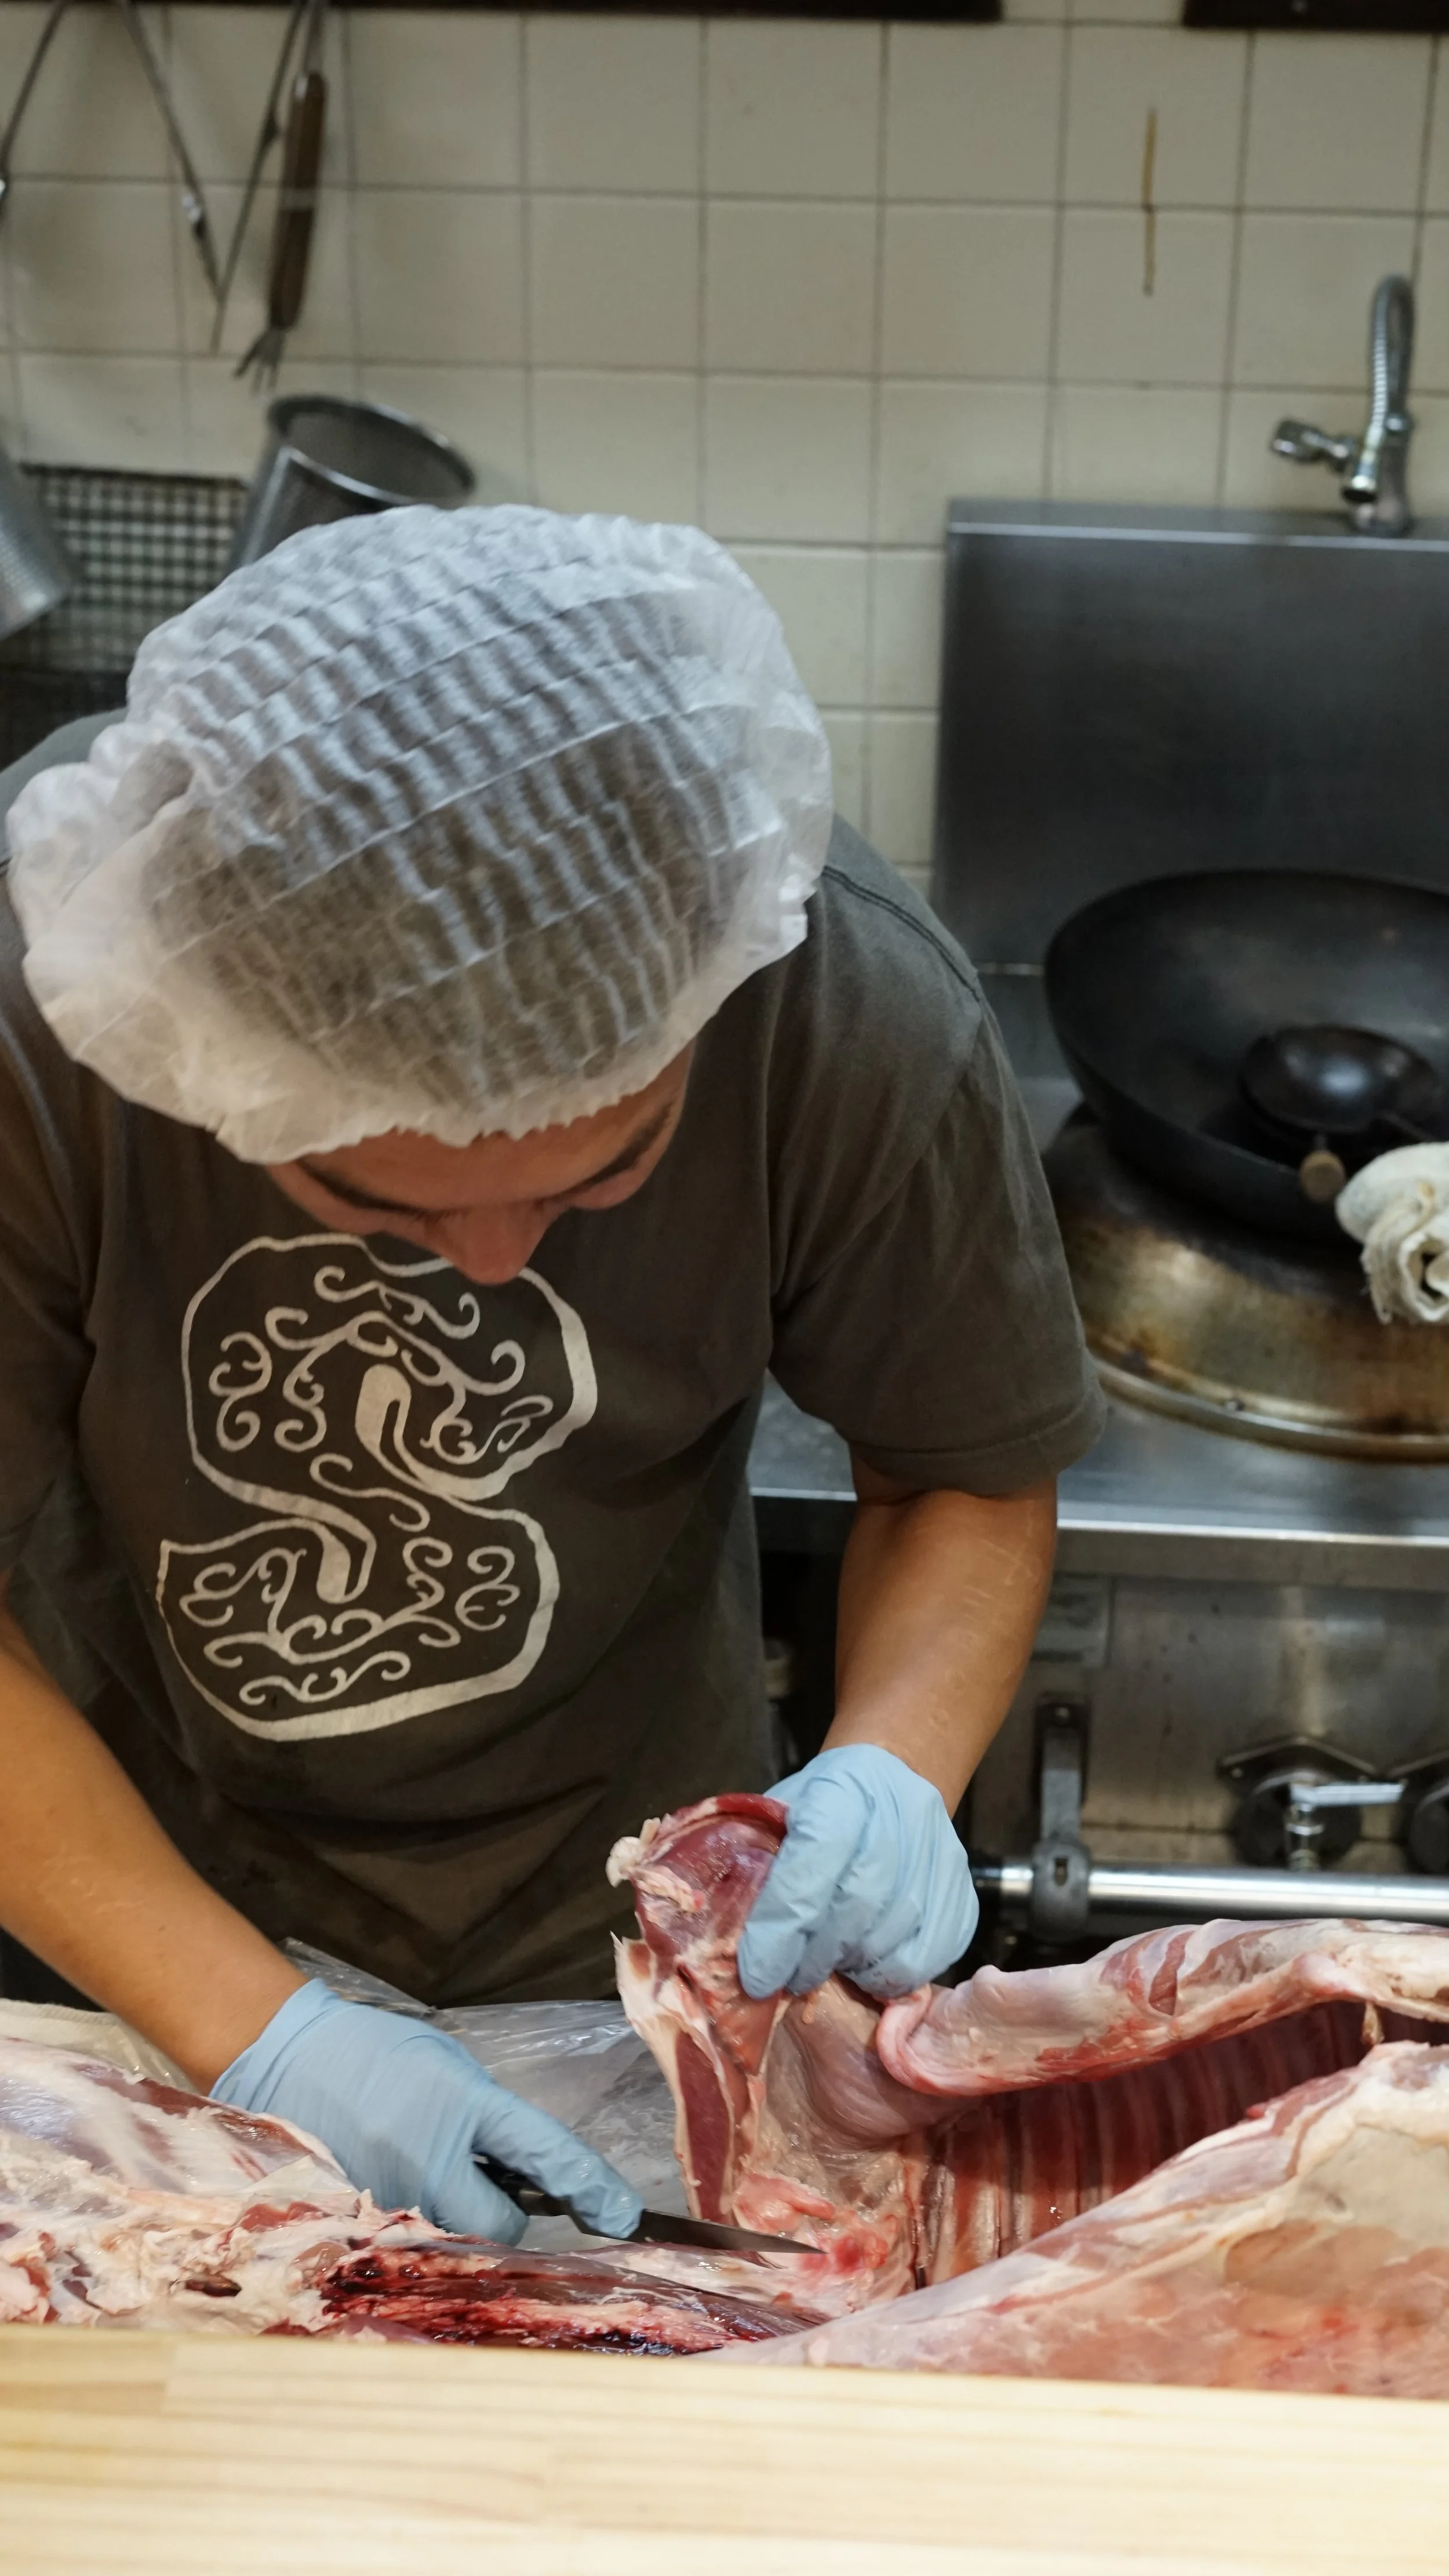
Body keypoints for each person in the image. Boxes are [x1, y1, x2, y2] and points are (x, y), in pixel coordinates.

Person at [0, 506, 1102, 2244]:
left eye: (601, 1174)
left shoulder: (831, 1002)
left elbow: (960, 1464)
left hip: (630, 1935)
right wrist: (265, 2036)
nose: (506, 1262)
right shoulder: (57, 1008)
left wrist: (892, 1766)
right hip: (117, 1888)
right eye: (378, 1202)